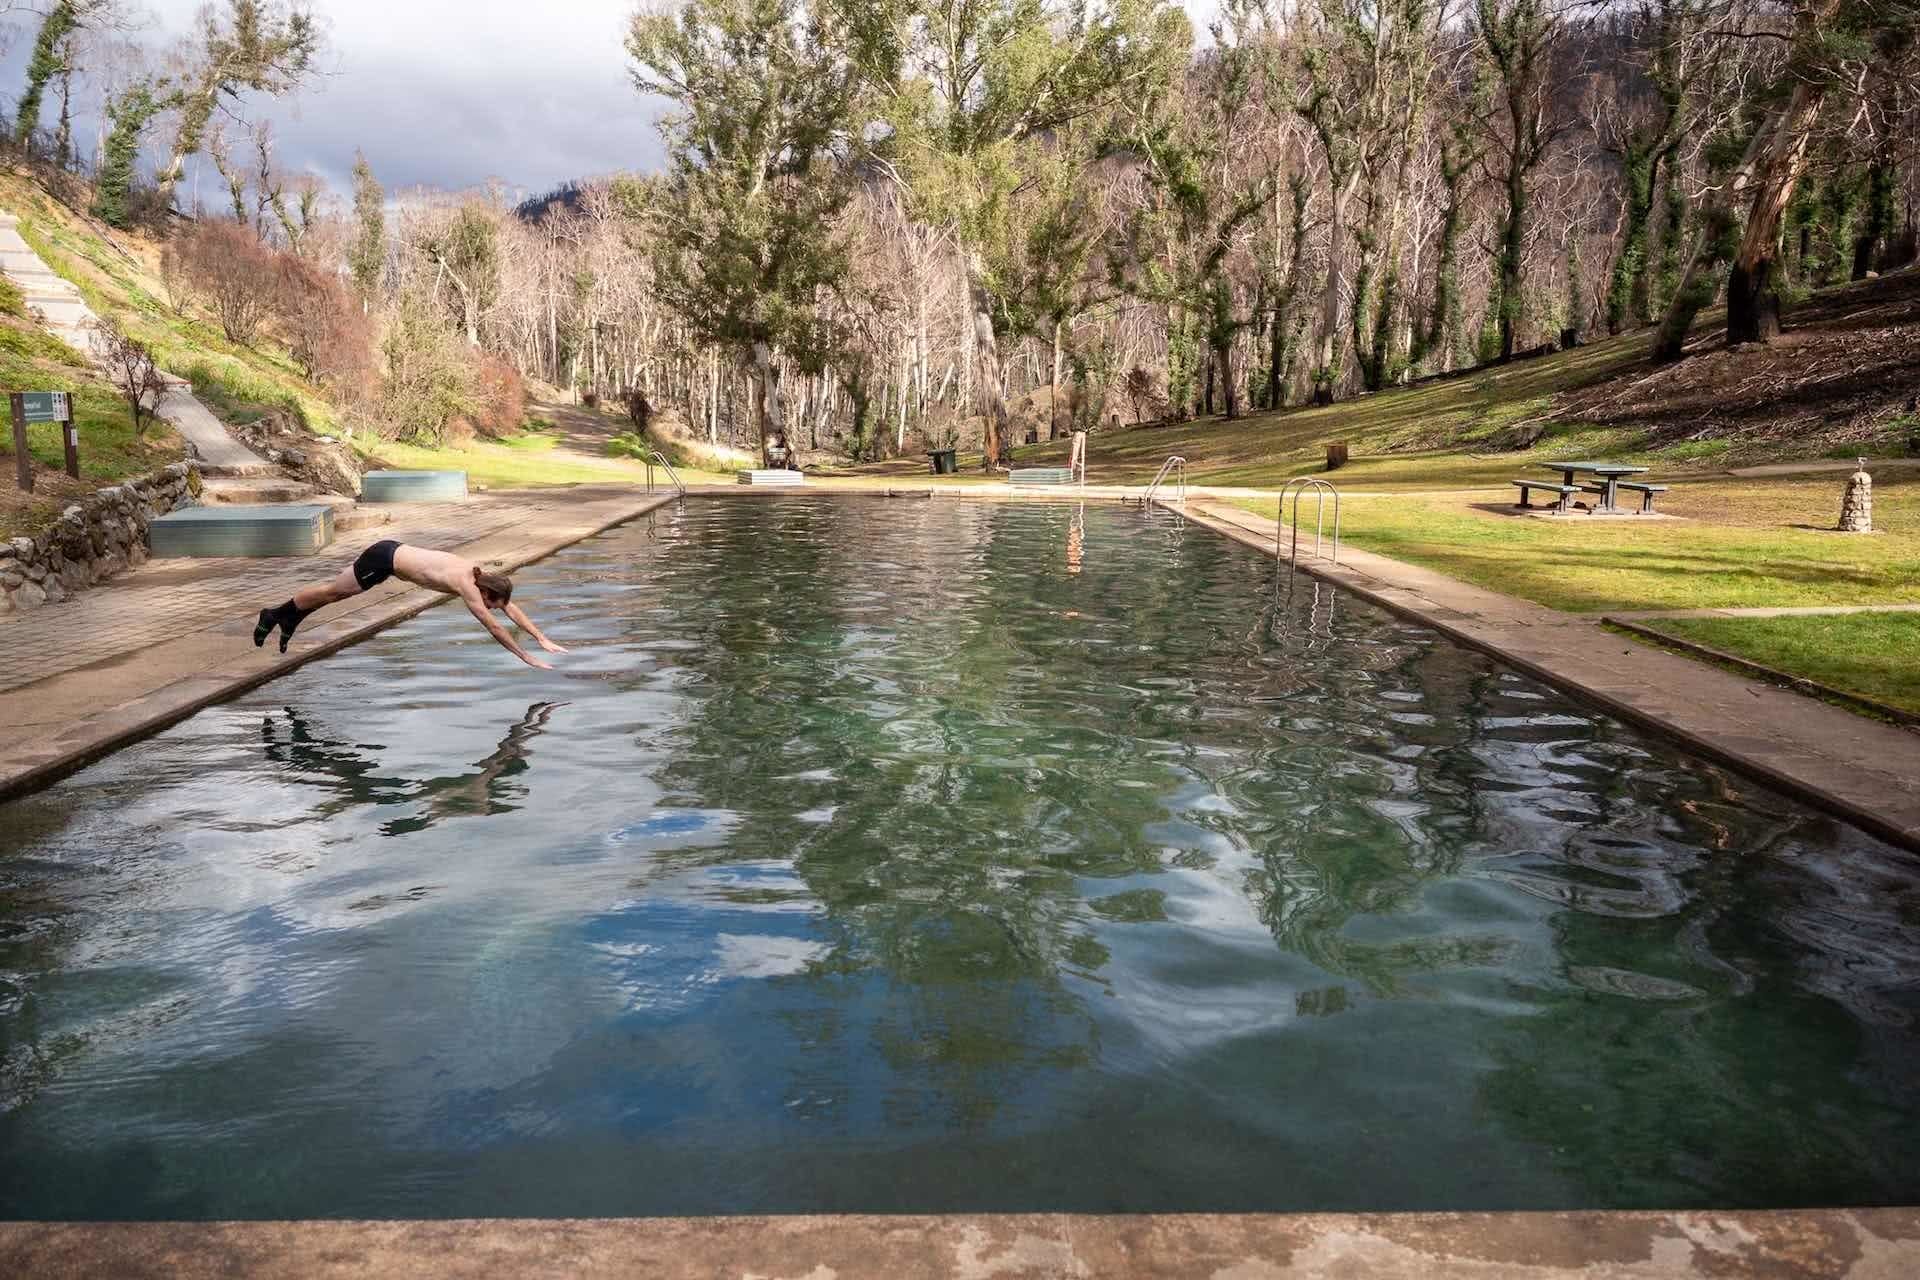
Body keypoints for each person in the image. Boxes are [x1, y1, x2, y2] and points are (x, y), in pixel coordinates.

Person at [253, 539, 568, 670]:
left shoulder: (481, 576)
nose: (492, 608)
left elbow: (510, 609)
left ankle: (290, 619)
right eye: (491, 604)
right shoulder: (467, 586)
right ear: (486, 595)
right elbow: (496, 626)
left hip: (391, 553)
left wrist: (541, 638)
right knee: (335, 592)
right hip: (384, 559)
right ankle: (276, 614)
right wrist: (525, 656)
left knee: (337, 594)